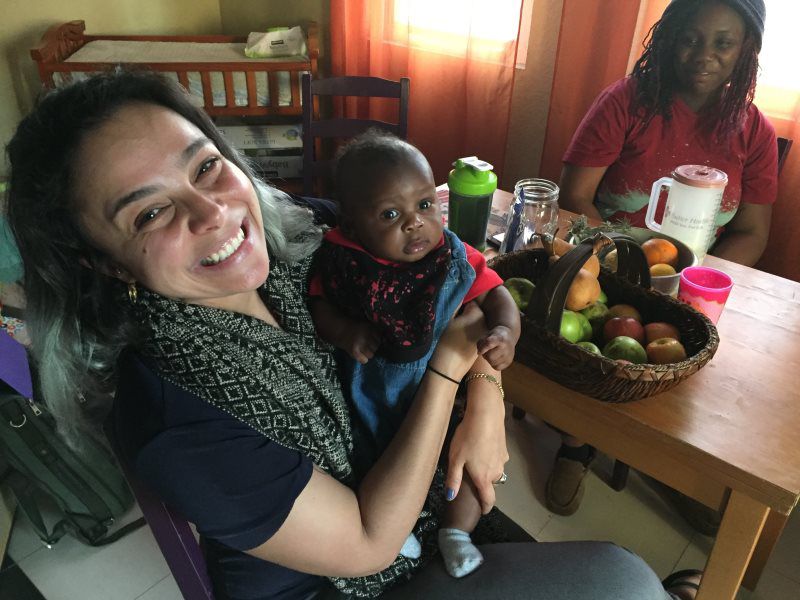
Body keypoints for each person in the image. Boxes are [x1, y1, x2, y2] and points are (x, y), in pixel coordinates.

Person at [6, 69, 697, 599]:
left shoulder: (306, 238)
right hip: (348, 578)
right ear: (100, 260)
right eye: (151, 212)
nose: (214, 213)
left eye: (206, 165)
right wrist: (451, 371)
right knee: (621, 580)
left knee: (615, 577)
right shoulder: (172, 418)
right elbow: (368, 542)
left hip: (420, 515)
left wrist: (486, 394)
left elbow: (448, 273)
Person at [550, 0, 776, 525]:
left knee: (693, 361)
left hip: (694, 283)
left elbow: (753, 233)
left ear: (746, 50)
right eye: (691, 38)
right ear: (669, 38)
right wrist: (626, 265)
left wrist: (693, 281)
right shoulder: (626, 104)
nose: (705, 55)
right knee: (602, 350)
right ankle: (577, 443)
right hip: (609, 266)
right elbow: (574, 195)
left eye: (723, 42)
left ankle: (658, 458)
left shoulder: (754, 131)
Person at [310, 130, 520, 578]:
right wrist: (346, 331)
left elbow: (497, 295)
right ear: (351, 226)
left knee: (461, 469)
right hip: (371, 397)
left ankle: (456, 533)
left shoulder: (452, 255)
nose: (415, 222)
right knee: (365, 463)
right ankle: (397, 528)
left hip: (446, 394)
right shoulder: (342, 259)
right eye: (390, 214)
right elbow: (319, 304)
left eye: (425, 205)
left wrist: (505, 331)